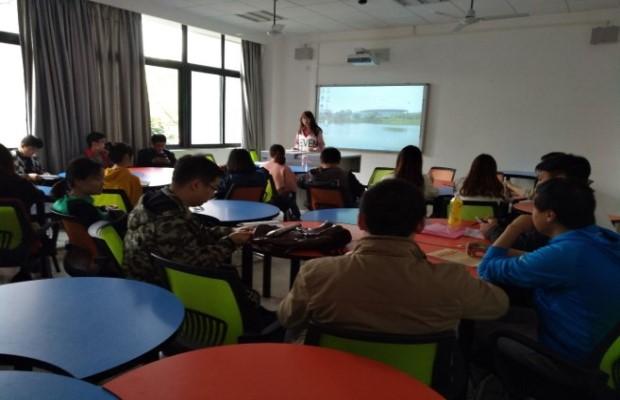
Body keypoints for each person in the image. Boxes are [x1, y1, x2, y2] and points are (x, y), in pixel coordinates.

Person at [278, 179, 509, 342]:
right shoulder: (452, 280)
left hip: (329, 379)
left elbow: (287, 317)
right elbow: (499, 305)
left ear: (361, 221)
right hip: (417, 385)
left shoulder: (317, 273)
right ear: (420, 225)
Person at [478, 178, 620, 363]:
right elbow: (559, 264)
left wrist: (515, 227)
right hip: (594, 342)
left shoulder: (564, 253)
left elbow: (486, 269)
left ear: (549, 215)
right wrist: (504, 251)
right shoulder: (602, 237)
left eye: (534, 208)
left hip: (564, 355)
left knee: (476, 323)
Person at [123, 155, 253, 287]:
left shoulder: (159, 199)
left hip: (154, 277)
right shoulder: (168, 220)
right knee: (240, 288)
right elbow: (197, 263)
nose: (213, 194)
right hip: (155, 287)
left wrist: (230, 231)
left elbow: (197, 232)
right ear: (196, 185)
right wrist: (231, 242)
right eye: (213, 188)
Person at [480, 153, 592, 251]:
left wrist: (493, 231)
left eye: (541, 178)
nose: (537, 185)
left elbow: (527, 246)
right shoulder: (580, 211)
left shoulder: (558, 219)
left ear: (559, 180)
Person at [52, 157, 124, 230]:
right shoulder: (82, 208)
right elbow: (105, 227)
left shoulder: (66, 202)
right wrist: (116, 214)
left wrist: (104, 208)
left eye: (102, 178)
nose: (103, 183)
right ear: (78, 181)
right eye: (97, 179)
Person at [297, 147, 365, 207]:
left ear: (321, 160)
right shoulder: (347, 176)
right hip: (342, 213)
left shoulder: (310, 175)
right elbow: (361, 192)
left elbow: (299, 183)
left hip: (317, 212)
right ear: (339, 160)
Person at [0, 143, 45, 211]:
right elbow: (39, 195)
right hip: (17, 218)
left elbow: (41, 170)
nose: (33, 152)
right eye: (31, 149)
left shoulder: (33, 159)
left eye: (35, 150)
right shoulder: (21, 184)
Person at [262, 144, 301, 220]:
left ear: (270, 154)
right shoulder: (285, 168)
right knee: (291, 195)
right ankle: (296, 217)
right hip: (280, 199)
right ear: (284, 153)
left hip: (266, 198)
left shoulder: (264, 166)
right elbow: (293, 187)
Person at [104, 142, 143, 207]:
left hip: (106, 210)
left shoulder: (103, 174)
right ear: (126, 157)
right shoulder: (133, 179)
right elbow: (136, 204)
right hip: (125, 212)